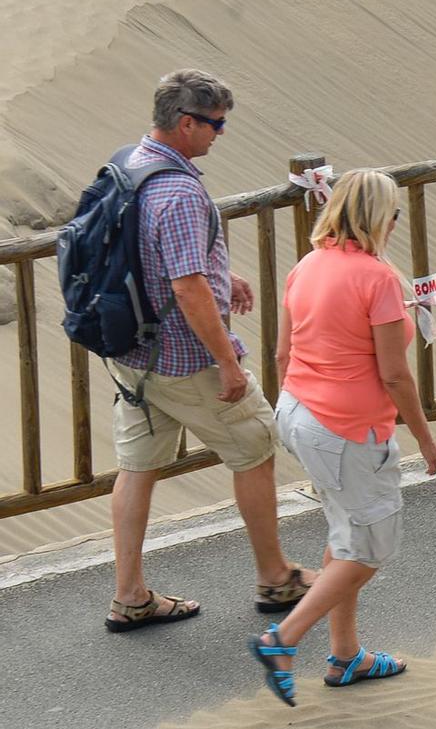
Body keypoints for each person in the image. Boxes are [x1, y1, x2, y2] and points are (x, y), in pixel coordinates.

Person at [106, 69, 318, 633]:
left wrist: (221, 273)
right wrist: (227, 360)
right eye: (215, 125)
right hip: (183, 357)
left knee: (137, 466)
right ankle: (276, 578)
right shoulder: (176, 190)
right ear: (185, 123)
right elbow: (184, 287)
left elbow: (149, 254)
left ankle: (129, 596)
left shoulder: (129, 163)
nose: (219, 135)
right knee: (254, 444)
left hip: (130, 354)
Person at [248, 169, 436, 706]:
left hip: (299, 413)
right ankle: (282, 640)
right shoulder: (376, 279)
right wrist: (427, 442)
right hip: (346, 430)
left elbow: (281, 354)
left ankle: (346, 655)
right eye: (394, 213)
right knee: (371, 548)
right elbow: (394, 374)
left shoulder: (307, 265)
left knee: (346, 531)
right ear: (379, 217)